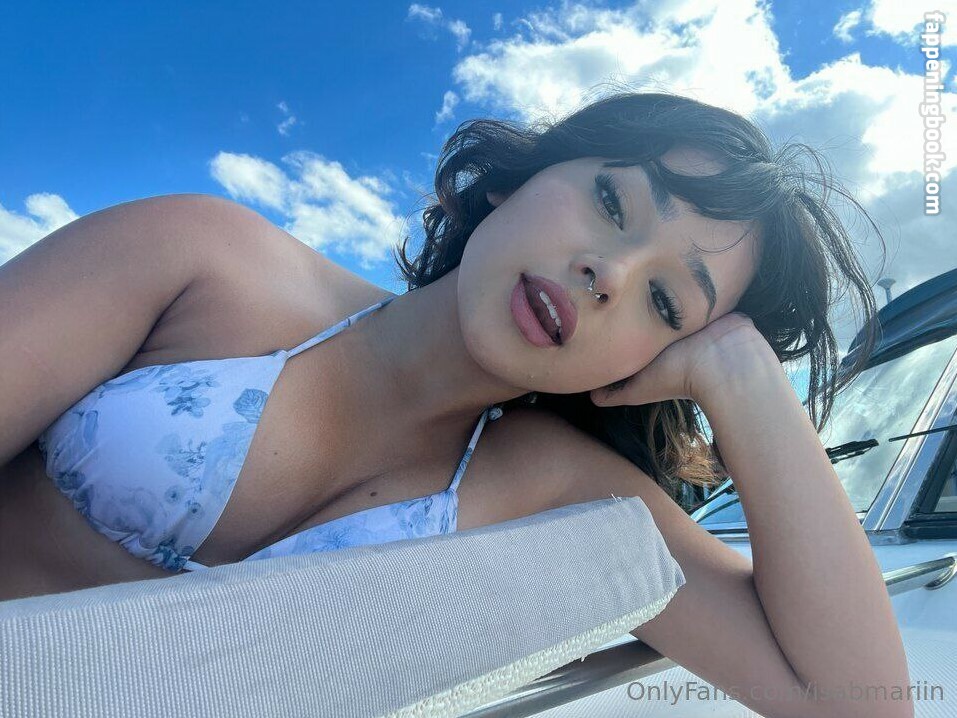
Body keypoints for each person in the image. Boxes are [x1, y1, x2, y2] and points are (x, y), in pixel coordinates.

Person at [0, 91, 913, 716]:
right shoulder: (206, 260)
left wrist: (746, 385)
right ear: (516, 180)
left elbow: (854, 705)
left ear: (657, 358)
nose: (608, 272)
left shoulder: (557, 487)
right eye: (610, 201)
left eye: (666, 303)